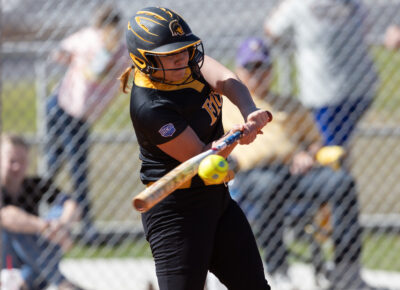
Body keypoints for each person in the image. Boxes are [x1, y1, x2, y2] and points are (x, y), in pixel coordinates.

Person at [118, 6, 272, 290]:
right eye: (170, 55)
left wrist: (249, 111)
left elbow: (228, 82)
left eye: (184, 49)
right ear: (147, 60)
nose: (181, 58)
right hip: (175, 213)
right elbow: (201, 157)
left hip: (216, 199)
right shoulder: (150, 107)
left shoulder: (188, 64)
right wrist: (235, 137)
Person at [224, 37, 381, 290]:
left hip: (295, 173)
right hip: (252, 177)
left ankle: (346, 272)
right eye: (251, 68)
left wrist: (308, 154)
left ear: (271, 70)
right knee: (269, 186)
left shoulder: (289, 103)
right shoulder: (229, 106)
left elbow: (315, 142)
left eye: (263, 67)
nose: (258, 74)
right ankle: (279, 272)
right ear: (239, 71)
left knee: (342, 183)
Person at [45, 5, 126, 226]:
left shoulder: (121, 50)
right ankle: (77, 222)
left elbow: (106, 73)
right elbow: (60, 53)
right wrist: (76, 59)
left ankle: (84, 225)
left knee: (73, 166)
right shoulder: (89, 38)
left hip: (79, 113)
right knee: (56, 163)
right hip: (63, 104)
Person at [264, 0, 378, 148]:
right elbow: (366, 26)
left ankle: (336, 168)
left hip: (324, 93)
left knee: (327, 148)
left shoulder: (297, 4)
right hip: (360, 87)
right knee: (337, 146)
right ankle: (339, 167)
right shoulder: (351, 3)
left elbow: (271, 29)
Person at [0, 134, 82, 290]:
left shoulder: (34, 184)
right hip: (6, 259)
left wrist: (62, 226)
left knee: (58, 213)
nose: (17, 166)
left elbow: (72, 204)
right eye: (11, 161)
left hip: (32, 261)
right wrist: (43, 226)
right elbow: (5, 216)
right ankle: (61, 283)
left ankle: (21, 283)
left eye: (22, 161)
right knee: (13, 230)